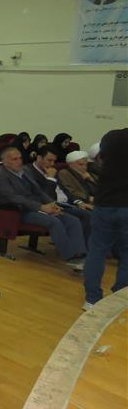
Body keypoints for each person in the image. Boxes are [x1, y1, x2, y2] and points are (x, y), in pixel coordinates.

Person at [0, 147, 86, 270]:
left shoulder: (24, 171)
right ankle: (70, 257)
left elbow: (39, 192)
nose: (19, 161)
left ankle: (80, 253)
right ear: (5, 162)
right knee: (54, 221)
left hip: (37, 206)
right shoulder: (0, 176)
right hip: (18, 211)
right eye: (15, 159)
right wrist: (41, 207)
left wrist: (52, 204)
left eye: (20, 158)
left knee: (72, 220)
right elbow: (14, 198)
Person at [82, 128, 128, 309]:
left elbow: (99, 160)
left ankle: (91, 300)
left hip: (104, 203)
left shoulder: (111, 136)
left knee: (97, 251)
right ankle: (119, 300)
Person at [24, 145, 92, 238]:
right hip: (50, 206)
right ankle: (78, 245)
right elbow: (43, 196)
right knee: (81, 217)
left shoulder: (51, 170)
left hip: (66, 203)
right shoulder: (28, 172)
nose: (52, 164)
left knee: (89, 213)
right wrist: (50, 179)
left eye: (54, 161)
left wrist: (79, 202)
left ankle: (84, 244)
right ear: (39, 158)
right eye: (49, 160)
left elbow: (64, 190)